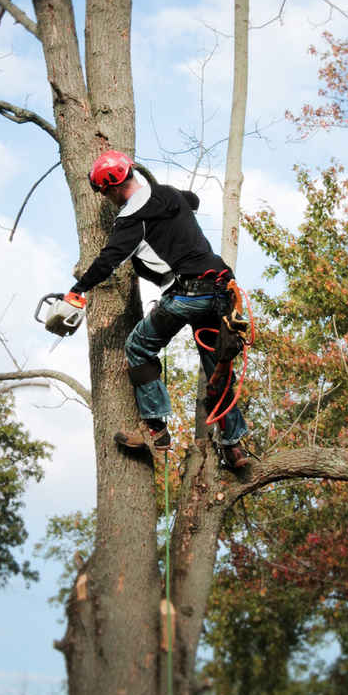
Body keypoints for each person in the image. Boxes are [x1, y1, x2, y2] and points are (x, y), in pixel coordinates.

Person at [68, 149, 250, 469]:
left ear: (111, 187)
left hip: (187, 294)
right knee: (216, 365)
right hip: (222, 289)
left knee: (138, 346)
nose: (107, 199)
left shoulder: (130, 220)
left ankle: (155, 430)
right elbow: (192, 200)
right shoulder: (168, 194)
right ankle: (234, 447)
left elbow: (108, 261)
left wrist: (77, 290)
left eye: (105, 193)